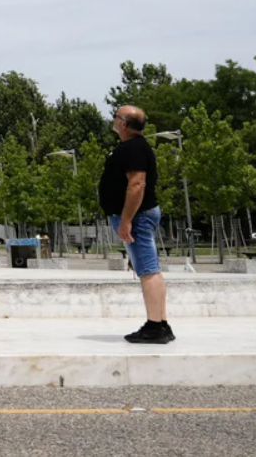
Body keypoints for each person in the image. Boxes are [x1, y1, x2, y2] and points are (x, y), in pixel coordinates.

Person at [100, 105, 173, 344]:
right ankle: (160, 323)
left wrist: (126, 220)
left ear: (122, 123)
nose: (113, 119)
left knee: (148, 270)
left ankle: (155, 327)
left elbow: (137, 185)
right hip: (138, 216)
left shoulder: (134, 149)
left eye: (115, 116)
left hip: (137, 216)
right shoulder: (132, 148)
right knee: (149, 269)